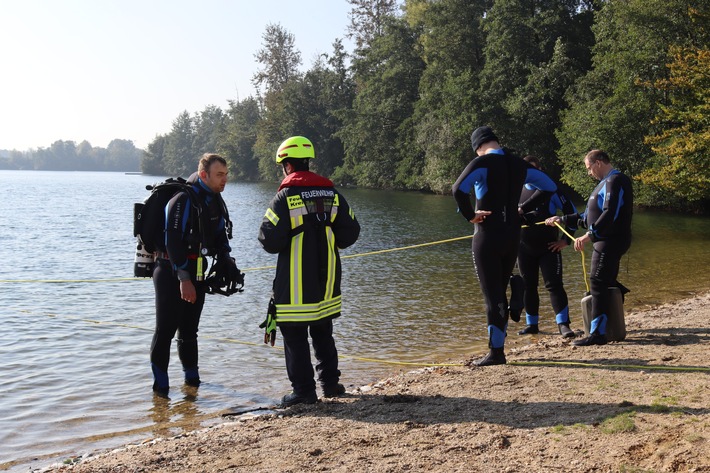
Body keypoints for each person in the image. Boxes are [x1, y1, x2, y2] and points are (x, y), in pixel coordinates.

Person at [258, 136, 360, 406]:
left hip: (294, 282)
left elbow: (267, 240)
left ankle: (304, 391)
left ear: (288, 165)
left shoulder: (285, 197)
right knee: (322, 330)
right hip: (327, 279)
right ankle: (330, 384)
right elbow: (351, 232)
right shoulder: (332, 194)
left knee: (294, 336)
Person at [452, 126, 557, 366]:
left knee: (493, 296)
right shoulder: (519, 164)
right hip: (512, 236)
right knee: (499, 289)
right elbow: (550, 187)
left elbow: (458, 189)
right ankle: (516, 288)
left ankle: (496, 352)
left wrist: (470, 215)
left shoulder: (483, 163)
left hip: (487, 235)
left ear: (479, 146)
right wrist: (523, 208)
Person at [150, 153, 241, 397]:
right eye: (220, 174)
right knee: (165, 331)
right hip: (171, 271)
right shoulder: (182, 199)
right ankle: (161, 392)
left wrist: (226, 260)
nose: (225, 179)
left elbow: (221, 235)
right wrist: (184, 279)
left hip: (197, 271)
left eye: (226, 174)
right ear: (204, 175)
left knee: (190, 331)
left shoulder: (215, 200)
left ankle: (192, 386)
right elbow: (172, 240)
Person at [545, 149, 633, 346]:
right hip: (605, 239)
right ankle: (611, 320)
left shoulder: (615, 181)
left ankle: (597, 334)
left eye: (589, 168)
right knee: (605, 280)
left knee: (597, 281)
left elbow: (611, 213)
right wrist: (562, 218)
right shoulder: (603, 184)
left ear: (598, 163)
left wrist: (590, 235)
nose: (589, 173)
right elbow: (587, 216)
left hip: (611, 240)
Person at [517, 155, 578, 338]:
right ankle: (532, 324)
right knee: (528, 286)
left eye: (534, 171)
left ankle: (563, 324)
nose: (531, 175)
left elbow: (572, 213)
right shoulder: (515, 191)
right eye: (527, 171)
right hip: (523, 248)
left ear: (540, 170)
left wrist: (565, 241)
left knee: (554, 285)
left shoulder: (551, 190)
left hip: (548, 248)